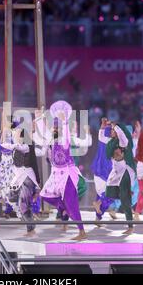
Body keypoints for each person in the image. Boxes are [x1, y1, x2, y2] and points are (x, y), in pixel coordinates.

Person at [38, 100, 87, 241]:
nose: (53, 130)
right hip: (55, 175)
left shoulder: (64, 140)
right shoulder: (52, 141)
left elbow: (64, 135)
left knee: (72, 204)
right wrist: (41, 118)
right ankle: (63, 208)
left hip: (67, 175)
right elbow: (44, 135)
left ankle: (82, 231)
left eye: (56, 128)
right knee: (45, 195)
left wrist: (65, 122)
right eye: (53, 128)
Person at [9, 124, 41, 237]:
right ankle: (31, 222)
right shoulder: (18, 146)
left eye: (17, 134)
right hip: (19, 178)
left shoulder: (26, 146)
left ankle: (31, 229)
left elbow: (34, 164)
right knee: (12, 198)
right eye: (14, 134)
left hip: (27, 178)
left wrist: (38, 181)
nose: (15, 136)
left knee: (23, 205)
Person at [105, 121, 136, 235]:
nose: (112, 131)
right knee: (109, 191)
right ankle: (127, 193)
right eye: (112, 130)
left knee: (125, 200)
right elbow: (103, 144)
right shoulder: (111, 142)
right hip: (116, 171)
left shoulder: (123, 141)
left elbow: (122, 135)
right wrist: (103, 127)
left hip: (125, 171)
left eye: (113, 130)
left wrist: (115, 126)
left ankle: (130, 227)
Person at [91, 118, 115, 224]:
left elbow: (101, 131)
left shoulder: (101, 138)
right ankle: (98, 203)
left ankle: (98, 218)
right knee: (111, 195)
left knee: (102, 195)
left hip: (98, 171)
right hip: (106, 172)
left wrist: (103, 124)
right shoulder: (112, 142)